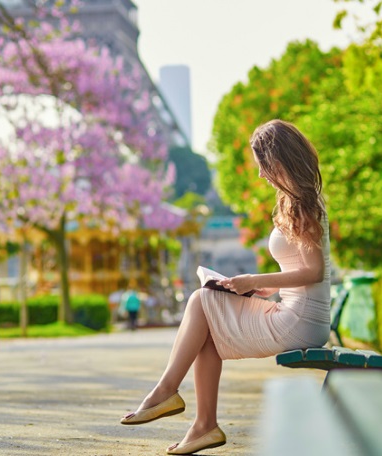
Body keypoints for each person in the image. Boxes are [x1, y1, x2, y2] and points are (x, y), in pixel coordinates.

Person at [119, 119, 331, 455]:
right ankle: (200, 423)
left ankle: (169, 393)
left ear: (278, 161)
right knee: (206, 318)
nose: (261, 175)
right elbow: (301, 272)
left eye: (263, 166)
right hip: (297, 313)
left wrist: (253, 281)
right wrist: (263, 291)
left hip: (300, 323)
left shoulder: (302, 202)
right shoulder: (298, 199)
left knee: (201, 300)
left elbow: (314, 272)